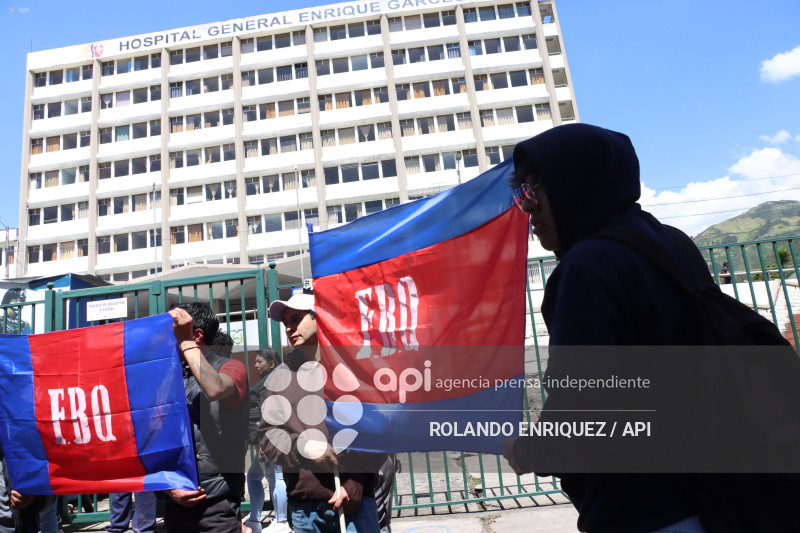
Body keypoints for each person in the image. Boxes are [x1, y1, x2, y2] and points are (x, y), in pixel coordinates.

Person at [501, 124, 800, 533]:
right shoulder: (672, 242)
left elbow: (586, 413)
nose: (527, 208)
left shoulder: (586, 267)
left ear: (577, 184)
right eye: (521, 194)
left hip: (644, 507)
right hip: (722, 492)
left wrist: (526, 450)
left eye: (534, 192)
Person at [260, 293, 384, 533]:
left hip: (353, 503)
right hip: (305, 507)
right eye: (285, 322)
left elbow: (379, 429)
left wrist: (357, 481)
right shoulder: (281, 378)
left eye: (296, 318)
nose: (289, 327)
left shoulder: (352, 369)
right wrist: (302, 447)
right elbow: (268, 435)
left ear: (320, 319)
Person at [167, 303, 250, 533]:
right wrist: (169, 488)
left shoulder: (231, 368)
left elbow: (214, 389)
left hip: (217, 504)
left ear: (197, 335)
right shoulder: (170, 376)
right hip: (175, 502)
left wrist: (185, 342)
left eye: (171, 330)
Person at [244, 349, 289, 533]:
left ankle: (282, 522)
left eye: (259, 362)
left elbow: (269, 412)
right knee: (253, 477)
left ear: (272, 364)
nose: (256, 365)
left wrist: (264, 440)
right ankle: (255, 519)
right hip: (268, 439)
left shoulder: (272, 383)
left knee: (275, 477)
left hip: (271, 440)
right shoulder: (271, 380)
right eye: (255, 362)